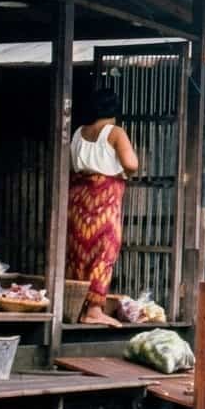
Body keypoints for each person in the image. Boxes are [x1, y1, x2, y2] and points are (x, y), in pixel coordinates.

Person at [65, 90, 139, 327]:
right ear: (115, 111)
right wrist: (126, 172)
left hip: (77, 198)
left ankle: (73, 307)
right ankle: (94, 310)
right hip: (103, 199)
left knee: (78, 253)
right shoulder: (115, 133)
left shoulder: (77, 132)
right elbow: (131, 164)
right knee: (104, 252)